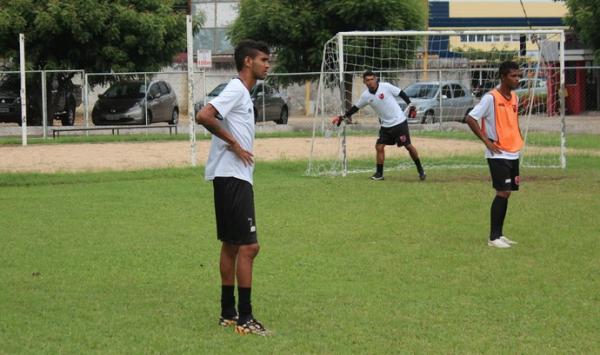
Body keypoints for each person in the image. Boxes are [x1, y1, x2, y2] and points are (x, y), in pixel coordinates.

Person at [195, 39, 271, 335]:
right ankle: (246, 319)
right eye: (264, 59)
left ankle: (228, 313)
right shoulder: (237, 88)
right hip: (233, 177)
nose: (268, 64)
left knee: (231, 245)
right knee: (250, 247)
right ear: (248, 62)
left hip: (229, 177)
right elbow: (204, 115)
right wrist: (235, 143)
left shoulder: (242, 92)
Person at [465, 60, 523, 249]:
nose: (517, 79)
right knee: (503, 191)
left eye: (518, 75)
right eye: (513, 76)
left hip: (513, 152)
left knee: (507, 194)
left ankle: (500, 234)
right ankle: (493, 237)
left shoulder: (515, 98)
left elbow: (512, 122)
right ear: (503, 77)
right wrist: (487, 141)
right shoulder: (491, 97)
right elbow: (471, 118)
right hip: (497, 154)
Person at [333, 70, 426, 181]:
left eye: (372, 79)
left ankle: (420, 169)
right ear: (364, 82)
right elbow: (355, 108)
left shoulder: (385, 87)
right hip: (385, 125)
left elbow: (400, 93)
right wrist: (342, 117)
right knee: (379, 146)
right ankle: (379, 174)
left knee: (408, 146)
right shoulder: (366, 96)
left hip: (399, 122)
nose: (370, 82)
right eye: (367, 80)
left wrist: (411, 105)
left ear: (376, 79)